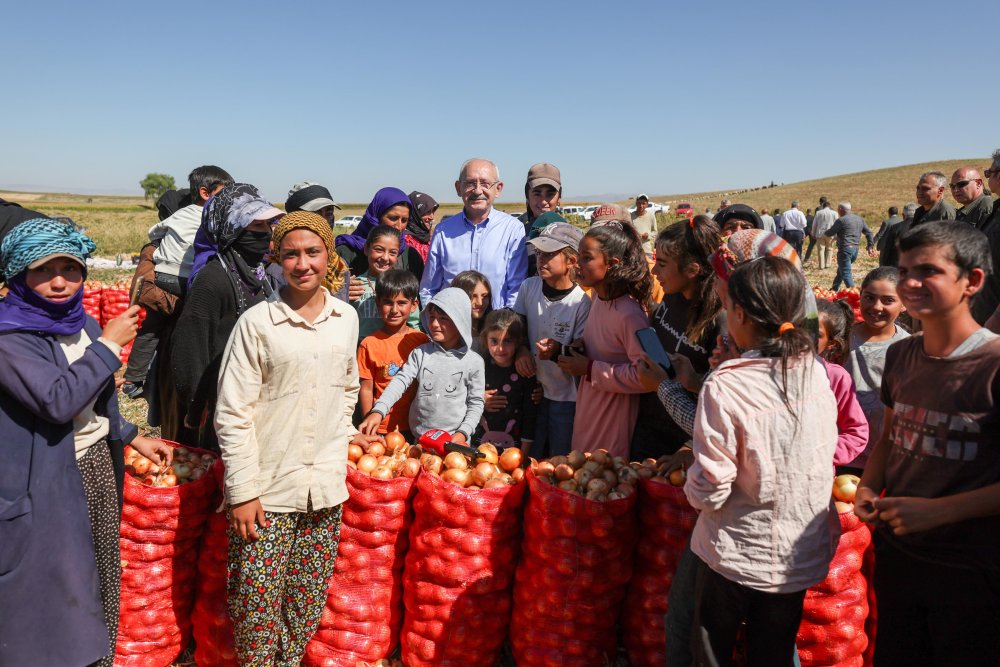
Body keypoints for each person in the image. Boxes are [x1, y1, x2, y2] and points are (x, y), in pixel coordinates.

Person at [0, 218, 172, 667]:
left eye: (71, 269)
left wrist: (131, 436)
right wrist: (107, 347)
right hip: (45, 481)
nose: (60, 282)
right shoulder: (10, 340)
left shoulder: (85, 325)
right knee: (54, 585)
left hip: (94, 465)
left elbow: (97, 403)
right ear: (18, 274)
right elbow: (57, 400)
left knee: (97, 572)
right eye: (44, 270)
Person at [214, 211, 377, 667]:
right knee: (258, 608)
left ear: (330, 257)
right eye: (291, 254)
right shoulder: (258, 323)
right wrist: (243, 490)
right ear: (276, 259)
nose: (302, 263)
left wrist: (341, 432)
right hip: (268, 491)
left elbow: (347, 388)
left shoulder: (345, 318)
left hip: (324, 488)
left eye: (312, 252)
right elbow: (232, 412)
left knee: (305, 605)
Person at [855, 221, 1000, 666]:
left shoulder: (992, 366)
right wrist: (867, 486)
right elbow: (891, 438)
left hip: (971, 570)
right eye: (904, 271)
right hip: (899, 556)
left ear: (971, 281)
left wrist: (938, 511)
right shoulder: (901, 356)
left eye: (928, 271)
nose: (910, 283)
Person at [687, 255, 840, 667]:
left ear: (738, 313)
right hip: (799, 553)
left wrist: (692, 489)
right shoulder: (815, 370)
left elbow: (712, 487)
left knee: (711, 652)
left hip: (736, 553)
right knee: (772, 652)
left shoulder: (728, 383)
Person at [170, 183, 285, 452]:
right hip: (224, 407)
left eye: (268, 227)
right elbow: (190, 350)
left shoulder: (258, 274)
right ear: (233, 229)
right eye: (257, 227)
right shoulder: (213, 280)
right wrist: (197, 408)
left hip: (258, 401)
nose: (266, 234)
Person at [123, 165, 233, 397]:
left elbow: (155, 232)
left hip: (161, 276)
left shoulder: (179, 215)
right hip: (185, 280)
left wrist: (164, 243)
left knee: (151, 329)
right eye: (223, 193)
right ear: (205, 193)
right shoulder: (211, 217)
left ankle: (133, 379)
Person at [630, 216, 722, 462]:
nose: (654, 271)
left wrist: (690, 450)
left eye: (662, 263)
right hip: (649, 423)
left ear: (692, 270)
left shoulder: (720, 320)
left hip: (686, 442)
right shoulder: (673, 295)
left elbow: (724, 401)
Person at [558, 221, 651, 458]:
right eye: (578, 255)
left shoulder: (631, 314)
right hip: (590, 412)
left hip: (612, 423)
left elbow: (650, 377)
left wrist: (590, 369)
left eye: (586, 257)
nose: (577, 263)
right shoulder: (599, 299)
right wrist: (580, 350)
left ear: (612, 265)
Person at [359, 287, 485, 443]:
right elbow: (400, 381)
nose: (434, 324)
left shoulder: (474, 362)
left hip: (455, 444)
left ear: (460, 321)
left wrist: (462, 434)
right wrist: (379, 410)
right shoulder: (420, 353)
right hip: (418, 441)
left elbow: (476, 403)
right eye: (431, 317)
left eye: (443, 318)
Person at [513, 222, 591, 457]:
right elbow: (518, 326)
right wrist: (522, 351)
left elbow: (580, 352)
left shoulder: (580, 303)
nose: (541, 259)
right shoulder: (529, 287)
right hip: (533, 388)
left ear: (571, 261)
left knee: (559, 454)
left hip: (566, 396)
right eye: (539, 253)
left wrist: (557, 351)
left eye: (549, 254)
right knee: (531, 451)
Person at [419, 158, 527, 309]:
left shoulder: (512, 229)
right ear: (458, 188)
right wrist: (433, 323)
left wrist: (505, 327)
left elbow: (516, 289)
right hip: (451, 329)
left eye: (485, 184)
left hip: (496, 327)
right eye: (470, 183)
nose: (477, 190)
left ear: (498, 189)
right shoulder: (443, 231)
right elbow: (428, 289)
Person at [842, 267, 908, 474]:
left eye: (888, 300)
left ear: (905, 304)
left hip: (884, 458)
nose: (876, 307)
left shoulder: (907, 348)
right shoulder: (842, 339)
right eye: (869, 298)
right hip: (844, 451)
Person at [356, 269, 428, 440]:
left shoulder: (421, 340)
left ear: (414, 305)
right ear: (378, 303)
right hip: (382, 428)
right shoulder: (369, 344)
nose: (394, 309)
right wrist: (369, 421)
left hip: (416, 426)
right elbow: (366, 389)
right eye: (388, 302)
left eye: (402, 302)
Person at [474, 309, 537, 449]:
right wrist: (479, 401)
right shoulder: (478, 368)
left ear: (518, 341)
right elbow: (462, 399)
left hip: (513, 450)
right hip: (478, 448)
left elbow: (530, 416)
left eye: (507, 341)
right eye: (494, 341)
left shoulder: (525, 371)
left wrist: (523, 456)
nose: (500, 349)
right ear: (485, 339)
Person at [336, 187, 424, 282]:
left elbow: (418, 293)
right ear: (377, 216)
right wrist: (343, 291)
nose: (399, 226)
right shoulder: (345, 252)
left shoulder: (410, 257)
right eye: (393, 218)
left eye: (404, 220)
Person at [350, 225, 420, 341]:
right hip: (362, 351)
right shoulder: (354, 286)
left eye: (392, 253)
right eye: (379, 250)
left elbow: (415, 323)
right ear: (366, 249)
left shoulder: (403, 285)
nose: (385, 258)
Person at [825, 202, 875, 290]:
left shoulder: (841, 220)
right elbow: (869, 233)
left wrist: (824, 232)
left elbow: (830, 232)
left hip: (845, 249)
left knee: (846, 272)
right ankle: (834, 288)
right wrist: (870, 246)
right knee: (842, 270)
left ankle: (854, 292)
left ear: (840, 209)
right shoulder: (859, 219)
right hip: (855, 250)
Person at [450, 270, 492, 351]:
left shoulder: (493, 328)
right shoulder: (448, 333)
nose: (480, 303)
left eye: (485, 296)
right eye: (473, 296)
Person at [878, 202, 918, 267]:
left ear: (903, 215)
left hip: (898, 266)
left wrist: (884, 264)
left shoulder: (896, 227)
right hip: (919, 266)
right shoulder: (924, 226)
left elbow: (888, 248)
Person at [406, 191, 439, 263]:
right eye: (427, 212)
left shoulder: (431, 238)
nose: (431, 217)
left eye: (432, 212)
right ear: (415, 213)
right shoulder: (404, 241)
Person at [808, 197, 838, 269]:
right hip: (830, 234)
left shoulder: (818, 213)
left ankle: (821, 265)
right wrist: (836, 235)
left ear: (823, 206)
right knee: (829, 249)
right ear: (829, 206)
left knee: (821, 250)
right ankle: (828, 264)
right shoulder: (834, 213)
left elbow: (814, 224)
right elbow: (837, 224)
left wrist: (813, 233)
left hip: (820, 233)